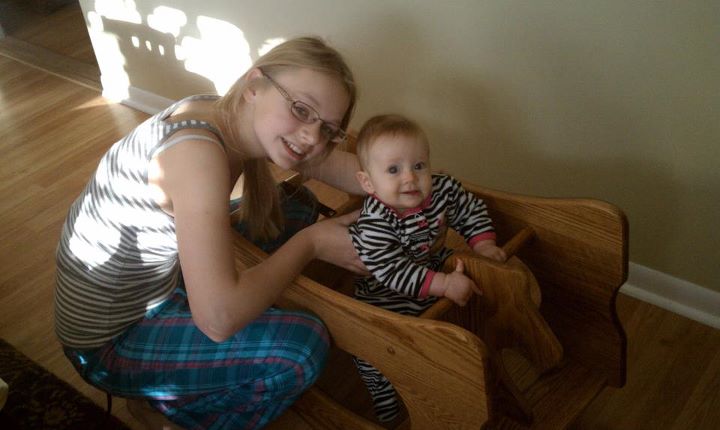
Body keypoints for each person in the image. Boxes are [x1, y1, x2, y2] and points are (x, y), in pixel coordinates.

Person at [54, 36, 367, 429]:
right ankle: (171, 410)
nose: (311, 137)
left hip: (160, 283)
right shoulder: (197, 154)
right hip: (111, 341)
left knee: (296, 205)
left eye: (327, 129)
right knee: (303, 348)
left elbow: (344, 170)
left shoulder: (227, 112)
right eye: (301, 110)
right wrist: (313, 243)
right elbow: (219, 319)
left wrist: (410, 182)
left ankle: (231, 316)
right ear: (255, 85)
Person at [348, 114, 507, 422]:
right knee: (373, 354)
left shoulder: (442, 190)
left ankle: (463, 374)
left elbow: (470, 210)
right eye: (393, 170)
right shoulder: (374, 222)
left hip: (432, 267)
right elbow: (392, 270)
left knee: (460, 320)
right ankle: (386, 400)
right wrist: (444, 284)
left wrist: (484, 244)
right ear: (368, 182)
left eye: (419, 165)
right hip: (384, 298)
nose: (410, 177)